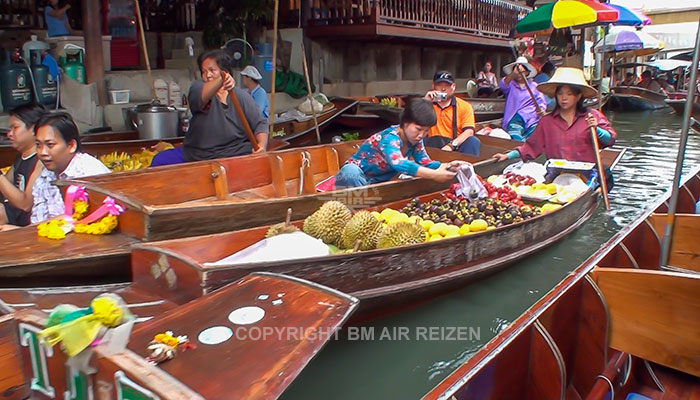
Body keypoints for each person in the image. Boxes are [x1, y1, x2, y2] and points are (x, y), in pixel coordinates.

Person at [493, 67, 617, 186]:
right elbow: (530, 147)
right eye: (560, 94)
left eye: (569, 94)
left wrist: (596, 129)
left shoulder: (591, 116)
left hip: (586, 174)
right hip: (557, 174)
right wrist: (507, 156)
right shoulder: (547, 121)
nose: (564, 98)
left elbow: (610, 139)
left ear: (578, 96)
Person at [151, 50, 269, 167]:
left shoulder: (241, 96)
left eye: (212, 70)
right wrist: (221, 79)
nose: (207, 75)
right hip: (198, 156)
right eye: (204, 71)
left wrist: (262, 146)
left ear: (226, 71)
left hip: (235, 153)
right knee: (159, 160)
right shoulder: (198, 88)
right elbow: (202, 96)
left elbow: (260, 123)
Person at [335, 99, 461, 188]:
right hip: (357, 179)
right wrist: (434, 175)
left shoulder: (415, 140)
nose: (421, 135)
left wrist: (447, 165)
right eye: (418, 129)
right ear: (405, 123)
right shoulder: (389, 138)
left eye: (426, 131)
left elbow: (425, 162)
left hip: (380, 182)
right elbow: (399, 163)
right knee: (349, 172)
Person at [30, 112, 110, 224]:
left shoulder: (90, 172)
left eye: (50, 145)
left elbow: (92, 217)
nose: (42, 152)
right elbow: (37, 221)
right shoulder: (44, 176)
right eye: (38, 145)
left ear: (71, 145)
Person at [0, 104, 46, 230]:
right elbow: (5, 187)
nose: (9, 134)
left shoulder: (41, 160)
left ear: (33, 129)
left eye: (15, 128)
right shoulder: (21, 157)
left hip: (26, 222)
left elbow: (25, 204)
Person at [423, 70, 480, 156]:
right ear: (433, 86)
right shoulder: (426, 104)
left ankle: (468, 166)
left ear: (453, 86)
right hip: (431, 145)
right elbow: (409, 122)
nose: (443, 89)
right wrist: (424, 101)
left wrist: (451, 146)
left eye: (447, 85)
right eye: (439, 85)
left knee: (473, 141)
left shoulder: (464, 106)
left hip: (454, 145)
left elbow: (469, 131)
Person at [499, 57, 547, 141]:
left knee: (535, 135)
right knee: (515, 134)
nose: (519, 74)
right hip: (515, 118)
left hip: (532, 118)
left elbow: (541, 102)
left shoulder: (534, 86)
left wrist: (541, 110)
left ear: (527, 72)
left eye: (523, 71)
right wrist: (514, 74)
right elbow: (502, 85)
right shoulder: (510, 85)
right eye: (517, 72)